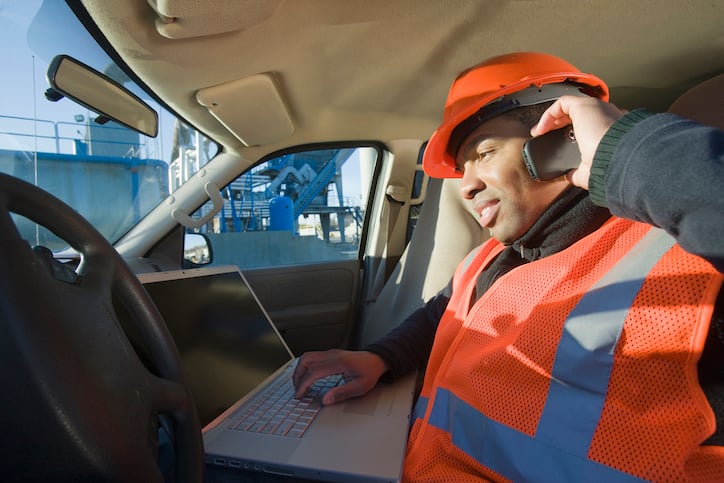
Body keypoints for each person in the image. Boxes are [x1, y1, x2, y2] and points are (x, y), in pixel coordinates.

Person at [292, 52, 724, 481]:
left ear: (563, 141)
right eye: (462, 168)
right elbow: (439, 317)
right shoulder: (490, 260)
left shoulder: (683, 260)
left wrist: (621, 149)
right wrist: (380, 358)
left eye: (484, 153)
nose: (466, 186)